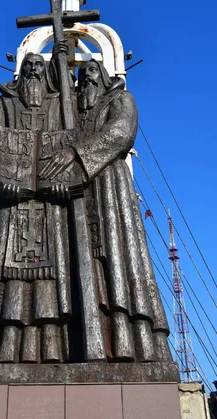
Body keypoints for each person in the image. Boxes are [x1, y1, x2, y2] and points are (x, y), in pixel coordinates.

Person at [40, 59, 172, 363]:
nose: (86, 78)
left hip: (109, 187)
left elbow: (121, 132)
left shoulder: (120, 100)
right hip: (76, 193)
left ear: (104, 76)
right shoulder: (71, 113)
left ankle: (127, 339)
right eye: (82, 75)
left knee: (116, 257)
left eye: (92, 72)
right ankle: (80, 338)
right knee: (80, 261)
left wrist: (75, 153)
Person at [0, 52, 73, 364]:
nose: (35, 70)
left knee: (50, 280)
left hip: (50, 206)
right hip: (11, 206)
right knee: (3, 280)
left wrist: (67, 182)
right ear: (20, 73)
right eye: (29, 66)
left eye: (40, 65)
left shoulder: (59, 106)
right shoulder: (4, 105)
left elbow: (68, 145)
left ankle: (54, 349)